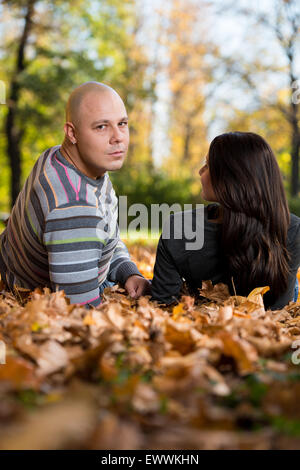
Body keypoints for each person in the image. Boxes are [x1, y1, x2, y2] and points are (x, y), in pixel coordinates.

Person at [0, 81, 150, 307]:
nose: (117, 136)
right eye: (101, 127)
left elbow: (105, 233)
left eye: (122, 123)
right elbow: (80, 310)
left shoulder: (64, 159)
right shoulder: (74, 204)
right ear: (72, 133)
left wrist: (127, 272)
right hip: (39, 299)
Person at [151, 132, 300, 310]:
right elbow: (278, 311)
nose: (200, 171)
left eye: (207, 165)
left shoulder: (179, 227)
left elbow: (163, 304)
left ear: (232, 178)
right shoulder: (292, 228)